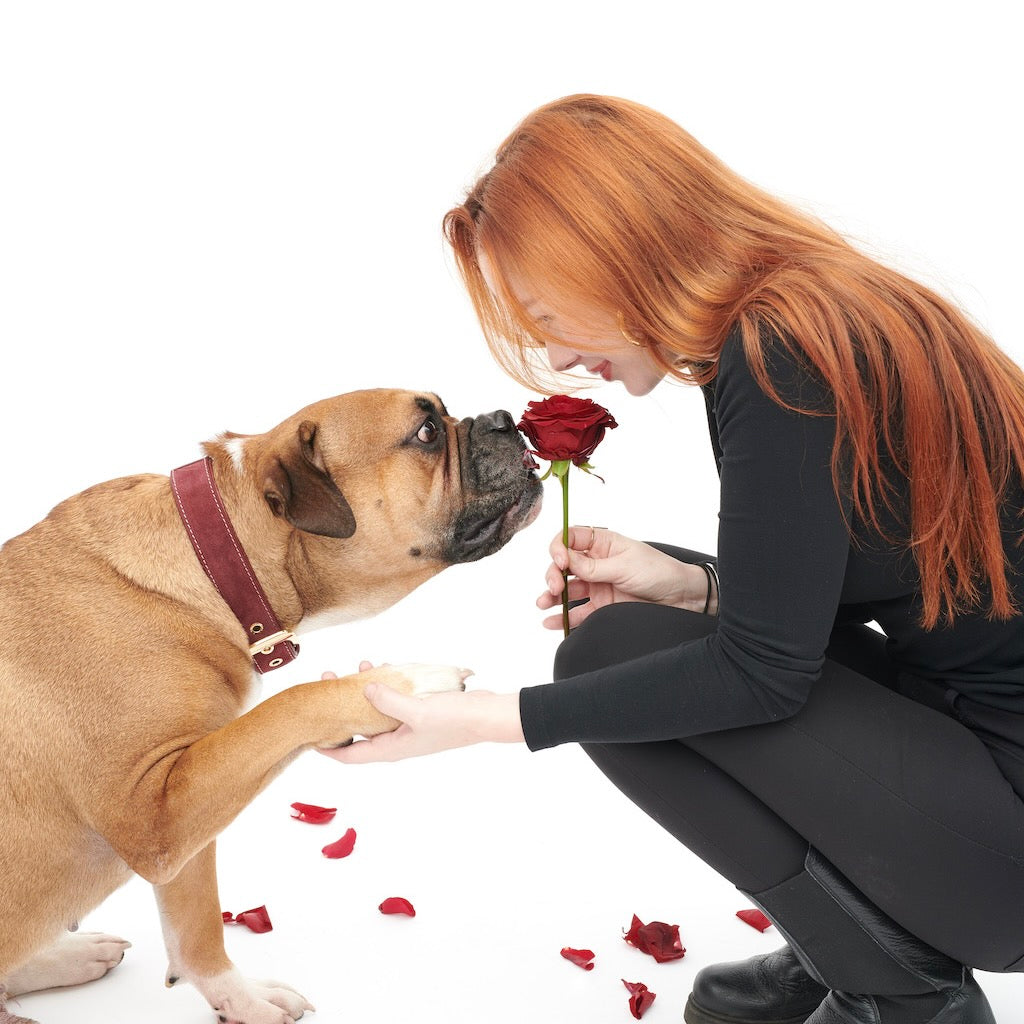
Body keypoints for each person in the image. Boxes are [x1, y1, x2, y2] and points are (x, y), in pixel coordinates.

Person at [326, 95, 1024, 1024]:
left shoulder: (780, 353)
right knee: (635, 631)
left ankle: (900, 993)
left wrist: (489, 719)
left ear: (617, 249)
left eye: (544, 312)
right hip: (975, 755)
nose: (555, 353)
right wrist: (694, 586)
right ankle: (850, 942)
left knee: (608, 659)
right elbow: (885, 580)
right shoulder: (805, 305)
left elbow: (767, 674)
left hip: (1006, 843)